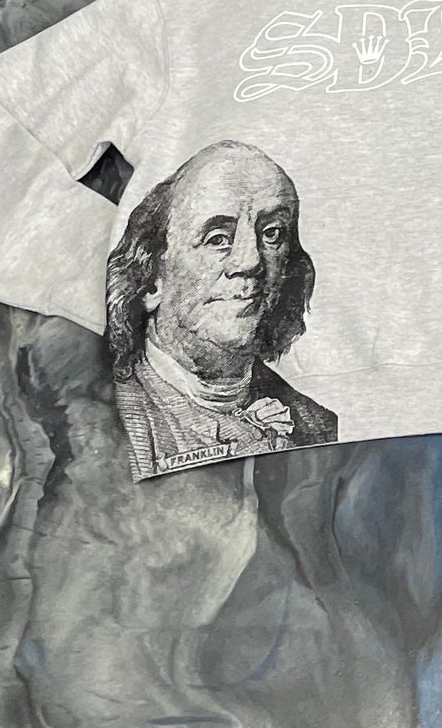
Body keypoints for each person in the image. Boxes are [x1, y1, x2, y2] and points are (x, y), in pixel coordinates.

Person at [105, 140, 338, 478]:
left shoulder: (317, 425)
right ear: (152, 278)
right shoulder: (104, 419)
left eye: (272, 233)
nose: (250, 260)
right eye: (217, 238)